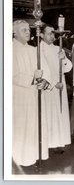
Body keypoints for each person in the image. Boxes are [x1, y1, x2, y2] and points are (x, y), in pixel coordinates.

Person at [13, 20, 51, 166]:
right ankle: (20, 158)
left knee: (35, 125)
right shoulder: (9, 49)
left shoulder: (32, 49)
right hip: (19, 95)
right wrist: (33, 79)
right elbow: (12, 74)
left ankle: (34, 155)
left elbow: (44, 69)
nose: (28, 32)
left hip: (34, 94)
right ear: (14, 32)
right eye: (24, 30)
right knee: (22, 127)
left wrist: (44, 81)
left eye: (29, 29)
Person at [40, 24, 72, 153]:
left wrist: (63, 58)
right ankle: (49, 143)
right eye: (49, 33)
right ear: (41, 35)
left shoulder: (57, 48)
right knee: (50, 114)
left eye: (53, 33)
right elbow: (43, 70)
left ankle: (59, 141)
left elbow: (68, 67)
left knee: (60, 113)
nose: (52, 36)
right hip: (49, 87)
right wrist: (53, 84)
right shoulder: (39, 50)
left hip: (61, 84)